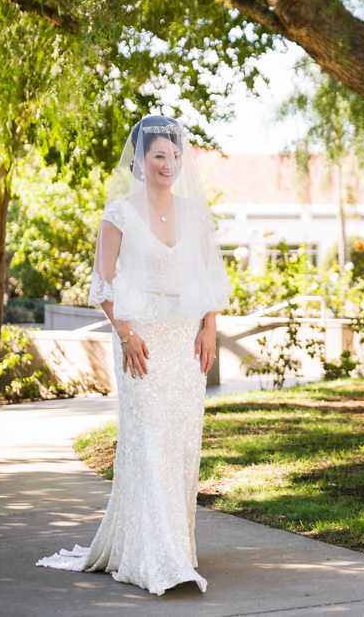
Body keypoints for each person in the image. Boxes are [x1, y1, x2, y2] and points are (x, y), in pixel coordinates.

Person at [37, 115, 231, 596]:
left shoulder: (193, 212)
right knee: (148, 441)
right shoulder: (119, 213)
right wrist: (125, 335)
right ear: (141, 163)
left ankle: (176, 548)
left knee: (181, 444)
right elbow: (102, 285)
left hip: (188, 343)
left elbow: (208, 279)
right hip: (140, 343)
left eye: (174, 155)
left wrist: (209, 328)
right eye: (158, 155)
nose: (167, 163)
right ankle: (156, 558)